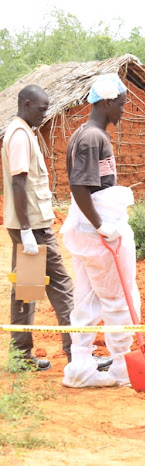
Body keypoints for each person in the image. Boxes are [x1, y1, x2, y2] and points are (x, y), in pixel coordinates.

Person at [61, 73, 137, 388]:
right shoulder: (93, 137)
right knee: (117, 296)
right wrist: (102, 225)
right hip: (97, 233)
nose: (123, 110)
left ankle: (81, 366)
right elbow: (80, 185)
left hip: (88, 232)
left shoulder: (88, 134)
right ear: (106, 102)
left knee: (87, 298)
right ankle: (121, 366)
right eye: (120, 104)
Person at [2, 85, 73, 370]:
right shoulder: (19, 135)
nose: (45, 114)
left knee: (27, 289)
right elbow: (19, 183)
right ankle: (77, 354)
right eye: (42, 109)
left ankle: (21, 356)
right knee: (63, 287)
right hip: (34, 227)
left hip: (28, 225)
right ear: (27, 104)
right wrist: (28, 230)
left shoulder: (22, 132)